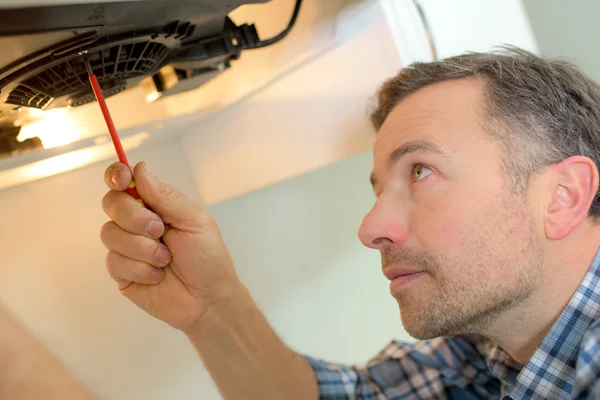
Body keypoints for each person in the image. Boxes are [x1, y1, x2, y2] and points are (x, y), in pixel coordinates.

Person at [99, 46, 600, 399]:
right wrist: (211, 307)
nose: (370, 228)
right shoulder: (491, 355)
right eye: (379, 188)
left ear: (563, 197)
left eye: (420, 171)